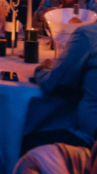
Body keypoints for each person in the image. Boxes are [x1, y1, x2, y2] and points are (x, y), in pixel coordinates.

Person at [24, 16, 97, 150]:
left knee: (24, 139)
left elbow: (55, 84)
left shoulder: (88, 34)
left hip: (90, 138)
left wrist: (42, 69)